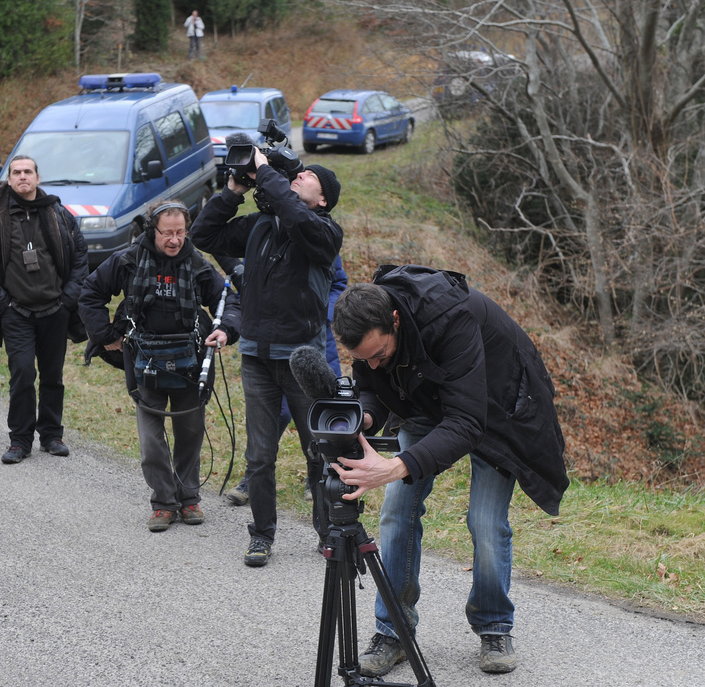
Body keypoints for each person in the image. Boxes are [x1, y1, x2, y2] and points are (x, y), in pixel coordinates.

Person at [328, 267, 569, 676]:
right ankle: (393, 632)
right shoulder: (370, 326)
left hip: (496, 409)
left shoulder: (449, 318)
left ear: (396, 321)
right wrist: (366, 417)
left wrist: (395, 466)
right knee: (397, 509)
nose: (371, 362)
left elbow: (467, 422)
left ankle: (494, 625)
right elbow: (371, 383)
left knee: (486, 521)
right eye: (362, 358)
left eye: (379, 355)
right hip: (429, 399)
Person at [191, 149, 343, 567]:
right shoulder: (261, 225)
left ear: (324, 199)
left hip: (300, 358)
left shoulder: (324, 232)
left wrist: (266, 170)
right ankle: (261, 535)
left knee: (318, 451)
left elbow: (296, 217)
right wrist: (234, 190)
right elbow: (203, 235)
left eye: (307, 175)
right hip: (256, 355)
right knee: (260, 457)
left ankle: (328, 533)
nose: (298, 176)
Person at [78, 200, 240, 532]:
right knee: (151, 442)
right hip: (144, 361)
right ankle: (163, 503)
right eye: (168, 233)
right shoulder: (128, 259)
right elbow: (90, 291)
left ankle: (188, 498)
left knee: (190, 434)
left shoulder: (197, 264)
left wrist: (226, 330)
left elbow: (229, 300)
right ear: (154, 230)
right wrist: (105, 335)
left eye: (181, 232)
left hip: (191, 364)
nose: (175, 240)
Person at [0, 155, 89, 464]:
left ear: (37, 177)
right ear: (9, 179)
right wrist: (2, 305)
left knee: (52, 375)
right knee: (21, 373)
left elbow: (81, 258)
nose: (23, 177)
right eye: (16, 172)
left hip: (55, 309)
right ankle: (20, 440)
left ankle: (51, 435)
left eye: (28, 172)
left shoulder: (58, 213)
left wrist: (67, 299)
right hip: (15, 311)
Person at [226, 254, 348, 507]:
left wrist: (317, 315)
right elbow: (249, 285)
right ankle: (254, 475)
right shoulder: (263, 236)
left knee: (317, 414)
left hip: (315, 342)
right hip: (270, 346)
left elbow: (338, 283)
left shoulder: (318, 234)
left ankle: (315, 476)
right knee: (277, 414)